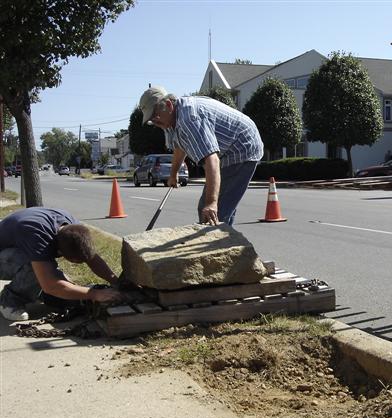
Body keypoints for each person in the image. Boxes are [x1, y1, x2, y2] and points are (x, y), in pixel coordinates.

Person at [138, 86, 263, 226]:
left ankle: (218, 243)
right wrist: (173, 174)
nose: (156, 123)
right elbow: (180, 146)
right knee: (213, 208)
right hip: (226, 150)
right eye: (151, 121)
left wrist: (211, 203)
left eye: (155, 116)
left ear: (168, 105)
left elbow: (212, 160)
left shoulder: (190, 119)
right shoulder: (170, 121)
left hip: (242, 147)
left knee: (215, 211)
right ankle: (221, 237)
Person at [0, 207, 123, 321]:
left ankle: (33, 292)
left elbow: (92, 258)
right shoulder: (38, 236)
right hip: (4, 256)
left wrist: (116, 282)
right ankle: (9, 302)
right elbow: (50, 285)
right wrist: (94, 294)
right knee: (36, 269)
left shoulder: (74, 229)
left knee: (61, 290)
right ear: (59, 252)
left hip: (17, 247)